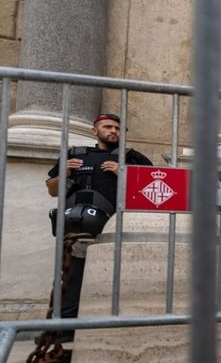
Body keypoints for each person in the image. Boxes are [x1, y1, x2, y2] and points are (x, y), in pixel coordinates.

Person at [46, 113, 152, 342]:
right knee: (71, 277)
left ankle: (117, 323)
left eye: (117, 128)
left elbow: (150, 189)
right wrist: (65, 172)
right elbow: (53, 190)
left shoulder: (132, 158)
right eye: (108, 127)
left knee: (118, 276)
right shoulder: (75, 155)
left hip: (116, 227)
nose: (113, 131)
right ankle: (65, 329)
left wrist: (124, 173)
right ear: (95, 131)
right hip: (76, 229)